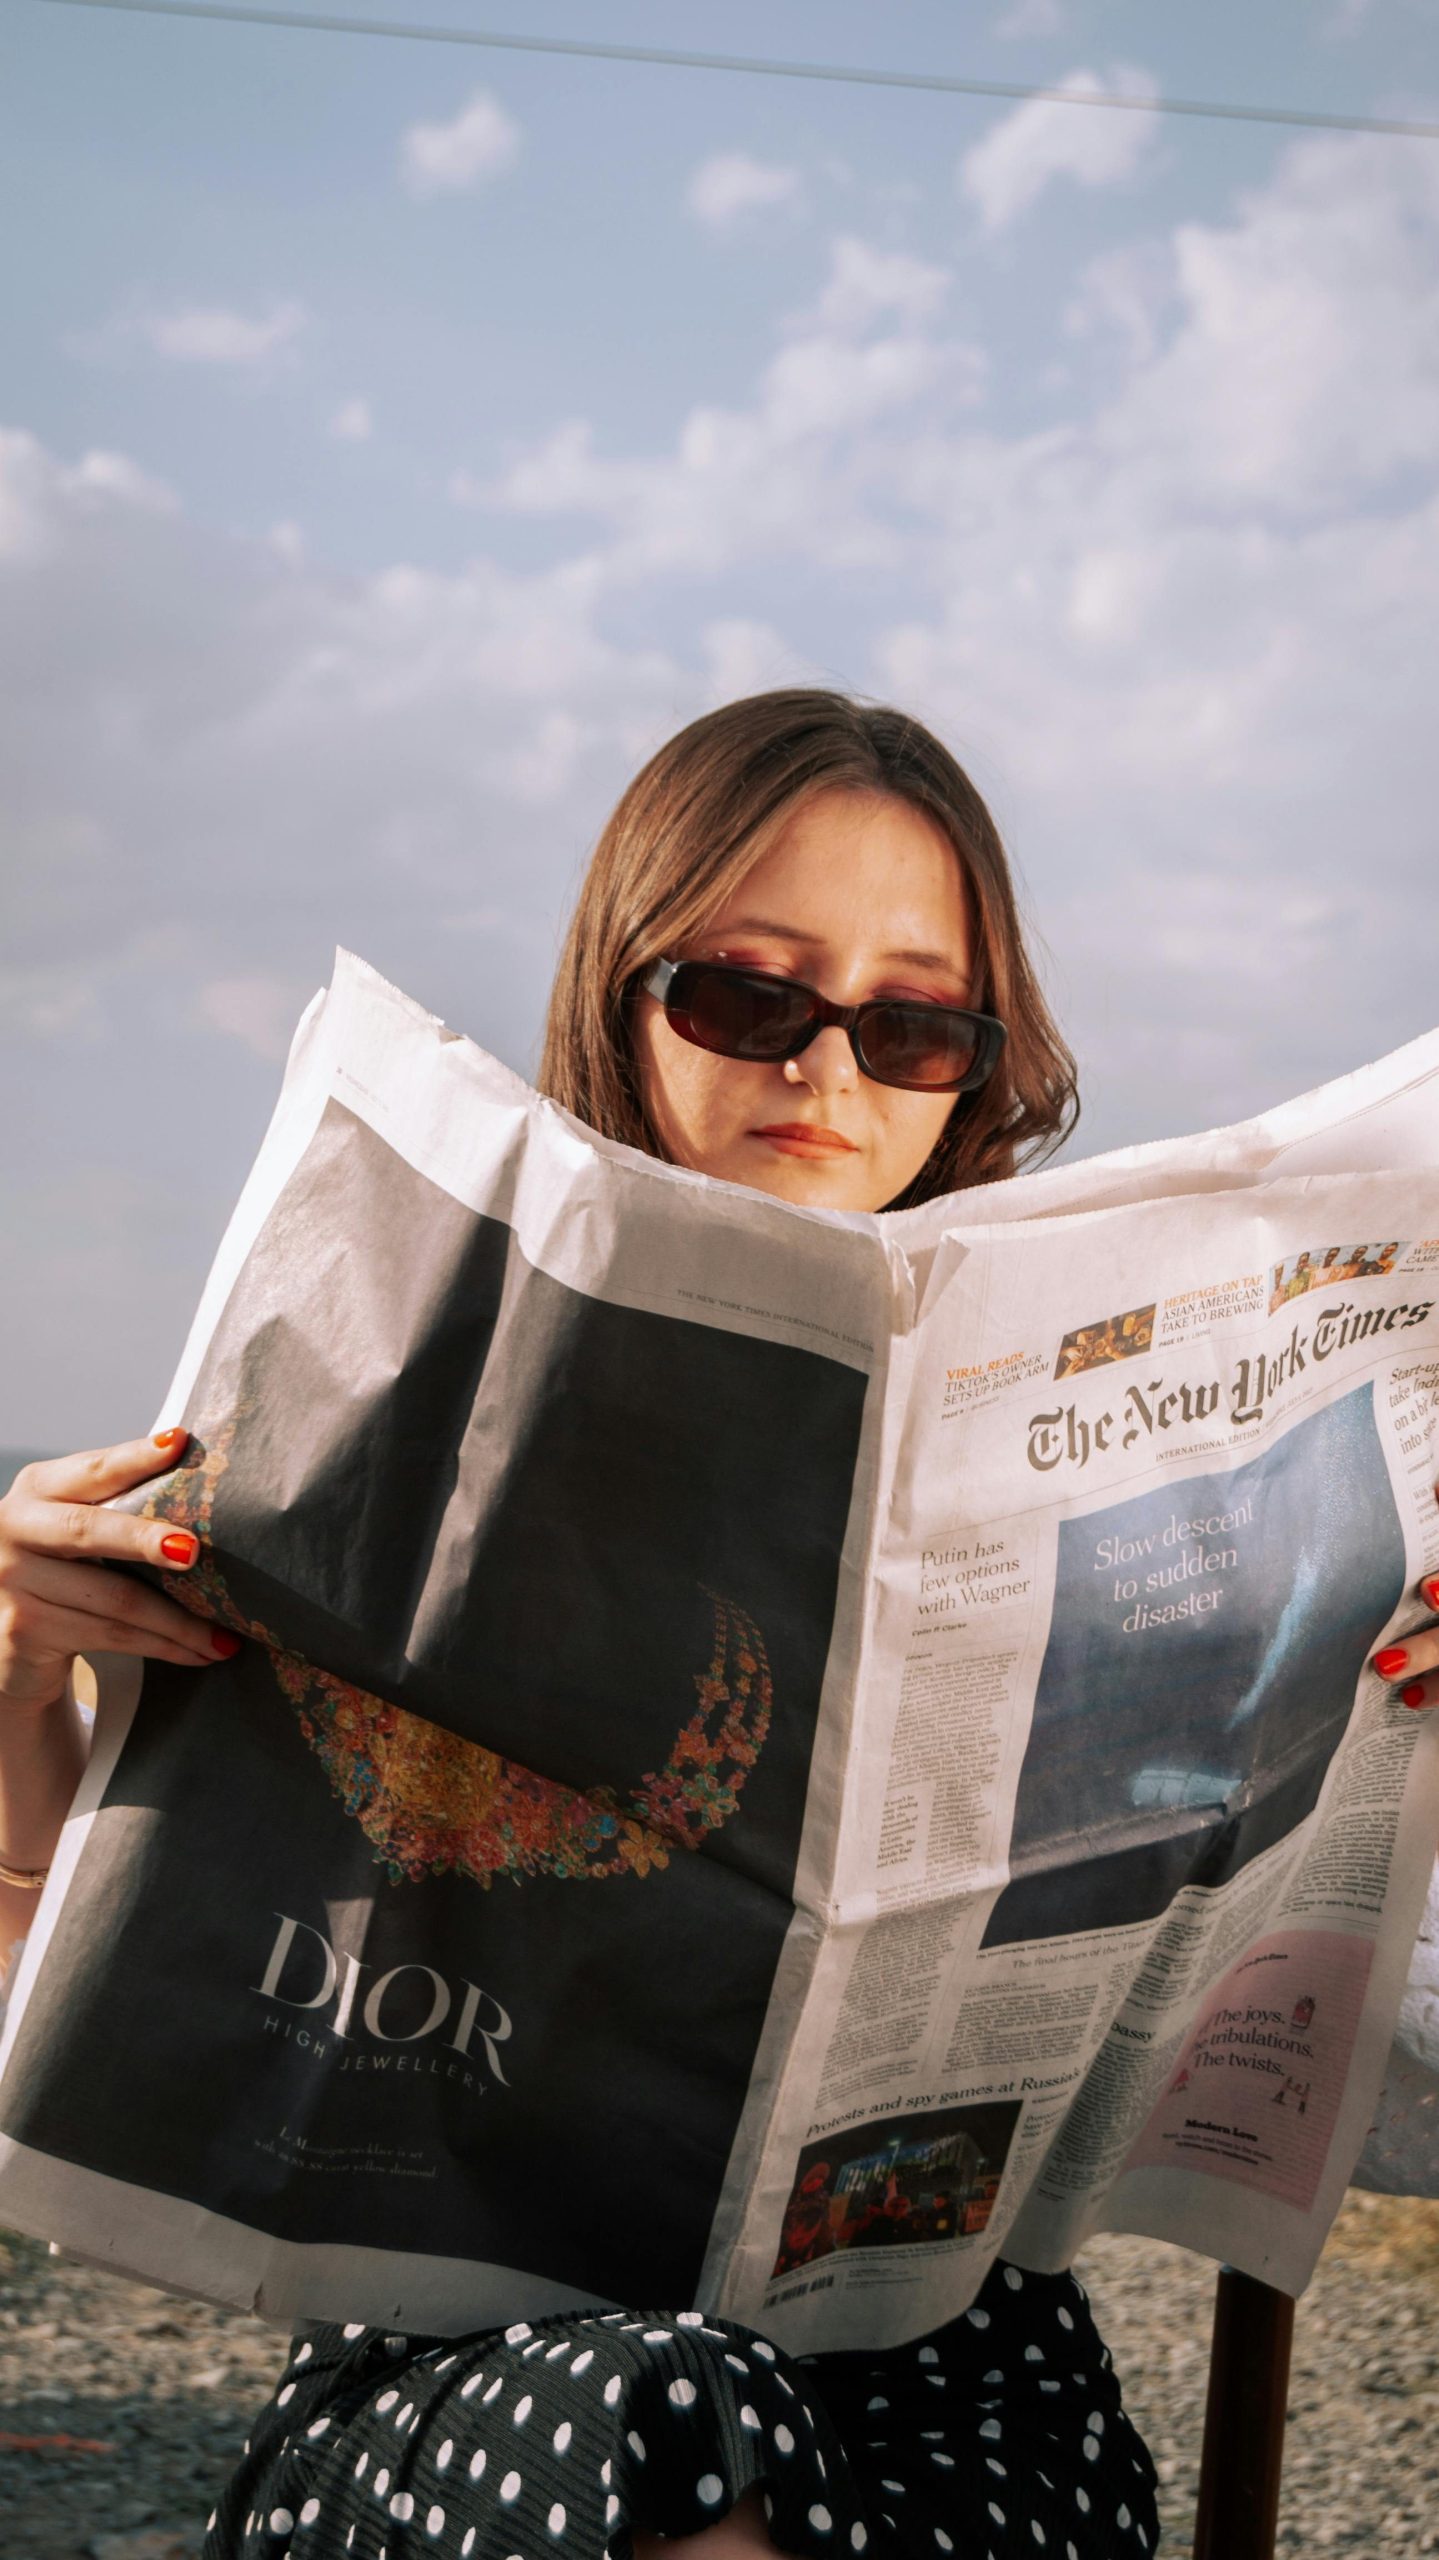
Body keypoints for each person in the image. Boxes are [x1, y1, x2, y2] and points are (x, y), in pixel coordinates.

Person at [2, 691, 1437, 2560]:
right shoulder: (400, 1410)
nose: (831, 1076)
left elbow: (1362, 2096)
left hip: (953, 2367)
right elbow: (76, 2019)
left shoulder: (1142, 1469)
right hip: (458, 2373)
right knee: (676, 2407)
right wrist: (25, 1667)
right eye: (754, 998)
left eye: (917, 1024)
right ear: (623, 992)